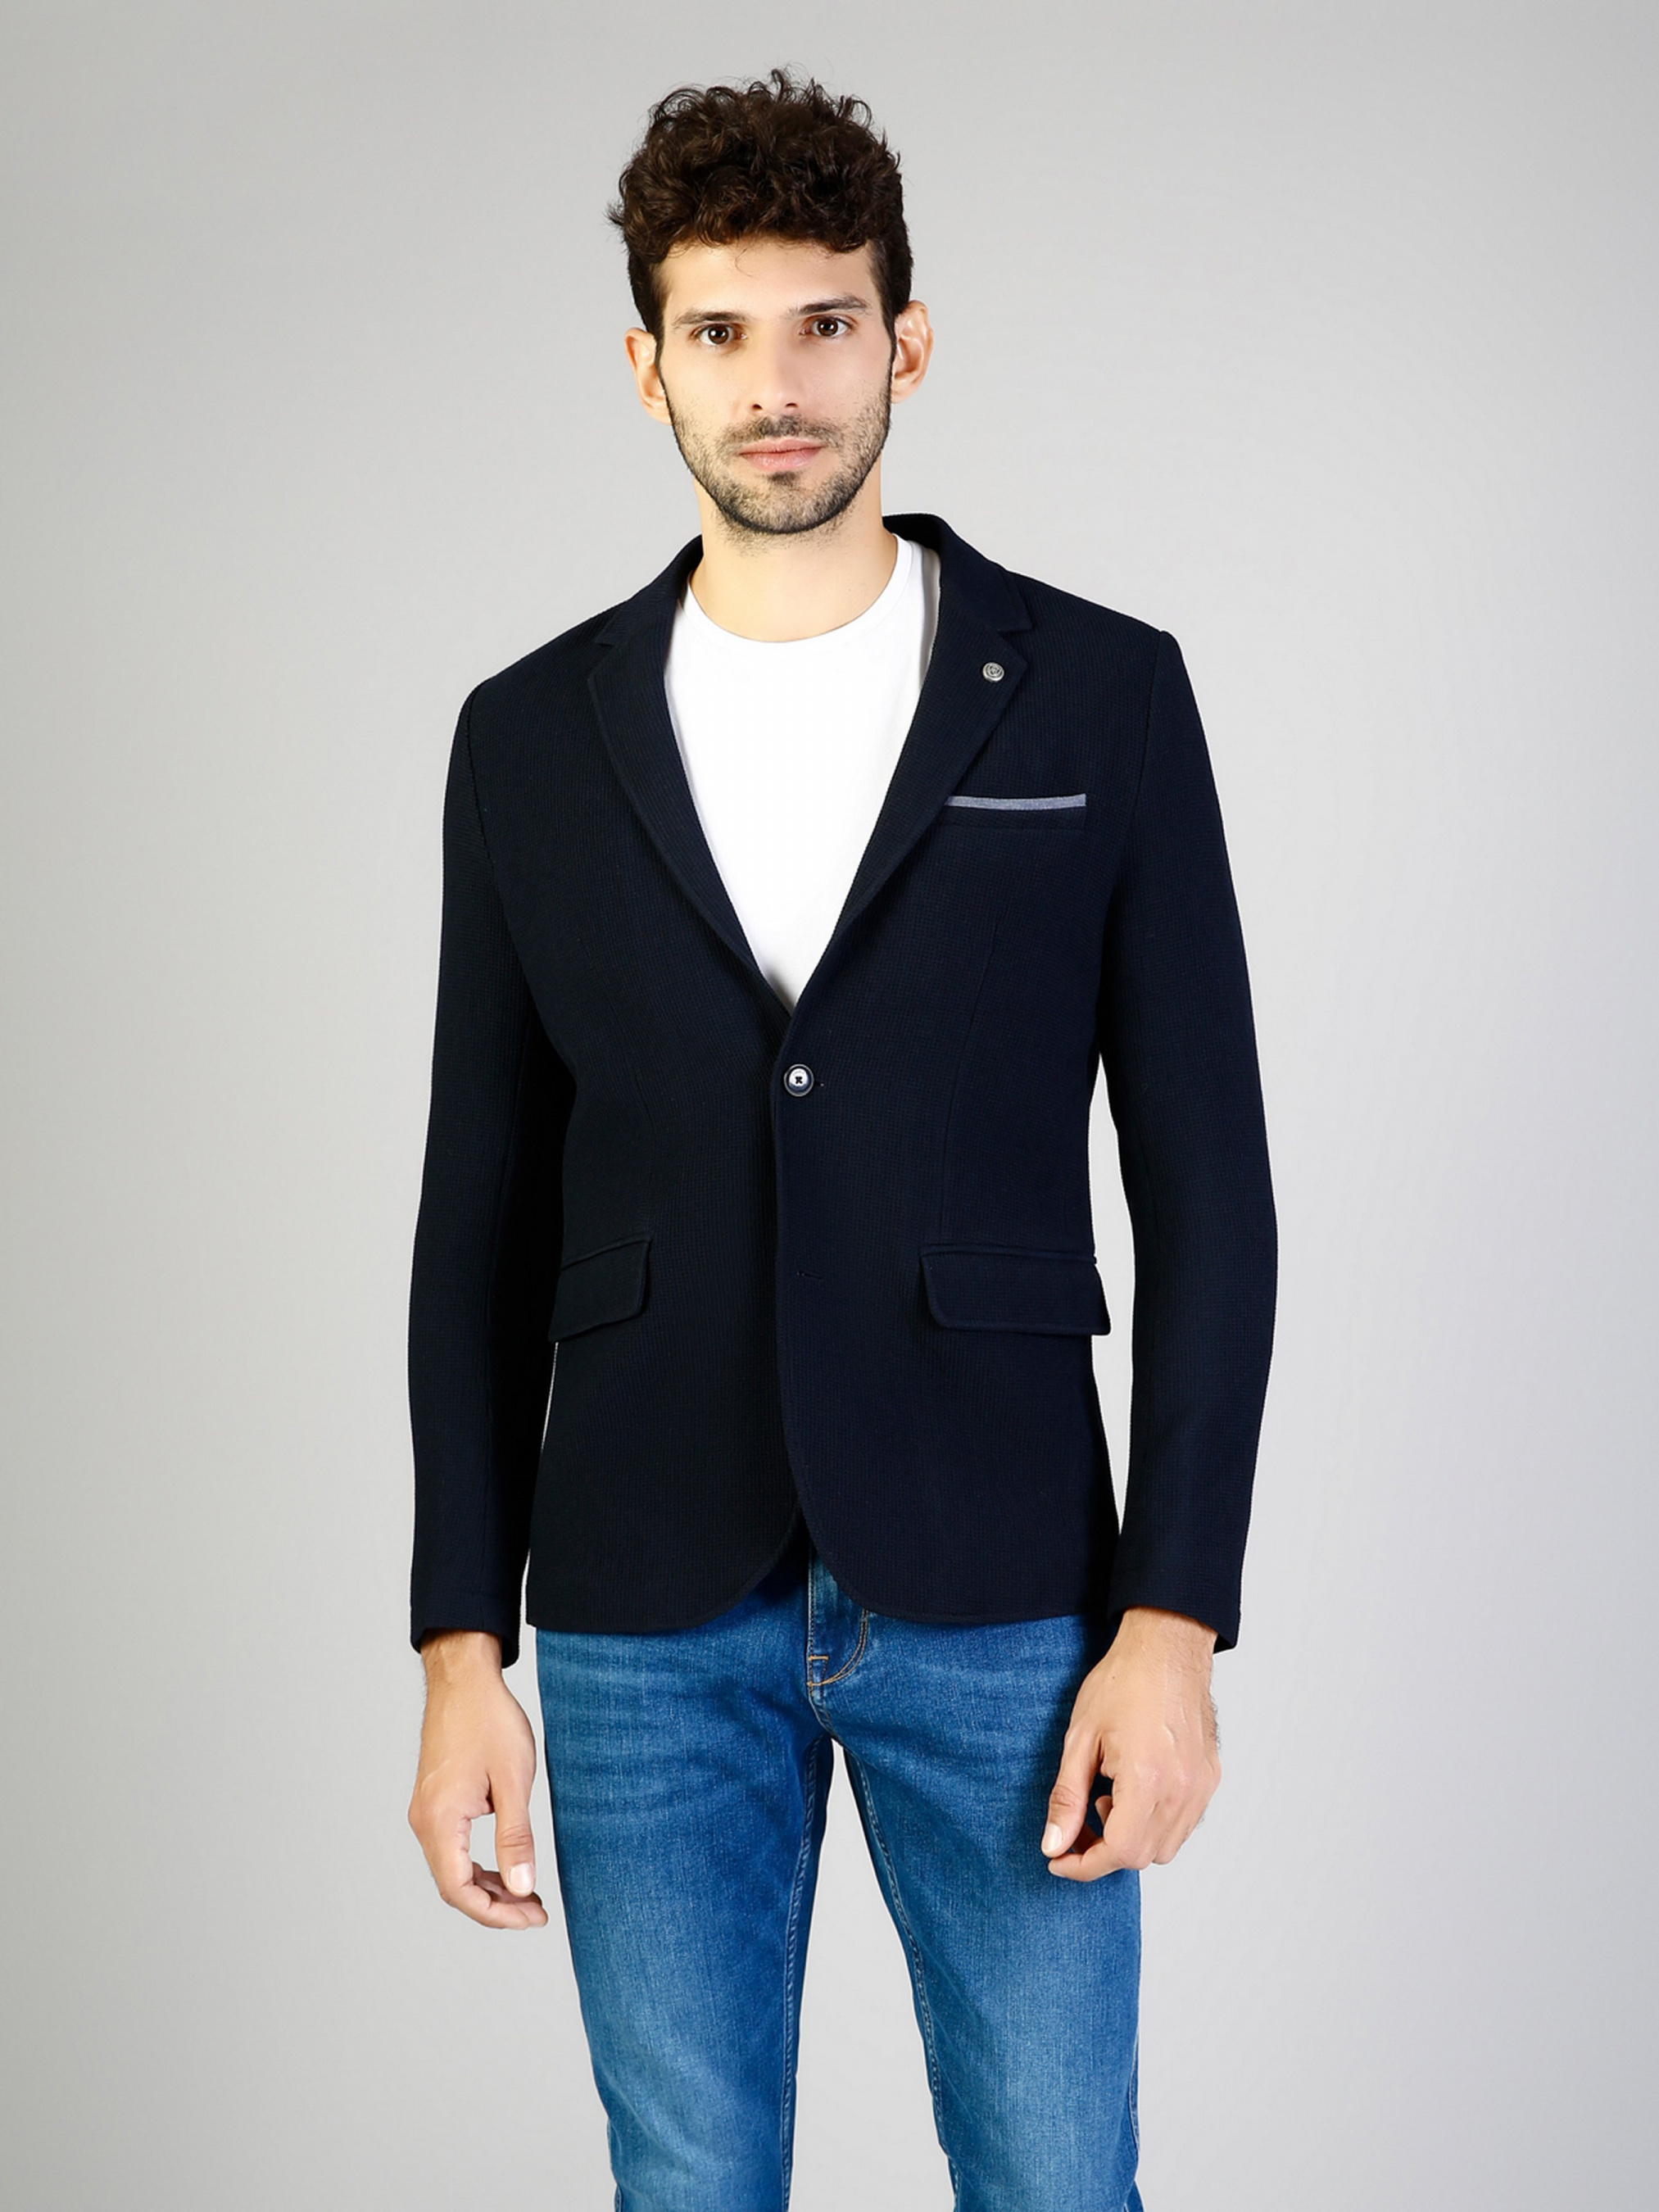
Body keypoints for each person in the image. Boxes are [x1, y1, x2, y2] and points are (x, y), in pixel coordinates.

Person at [405, 68, 1276, 2212]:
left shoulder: (1098, 696)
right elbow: (477, 1216)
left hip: (1004, 1582)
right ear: (646, 366)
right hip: (638, 1603)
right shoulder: (527, 738)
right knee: (686, 2184)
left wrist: (1171, 1617)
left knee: (1057, 2178)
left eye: (823, 323)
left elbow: (1212, 1191)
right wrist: (457, 1648)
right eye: (718, 331)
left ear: (908, 340)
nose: (774, 385)